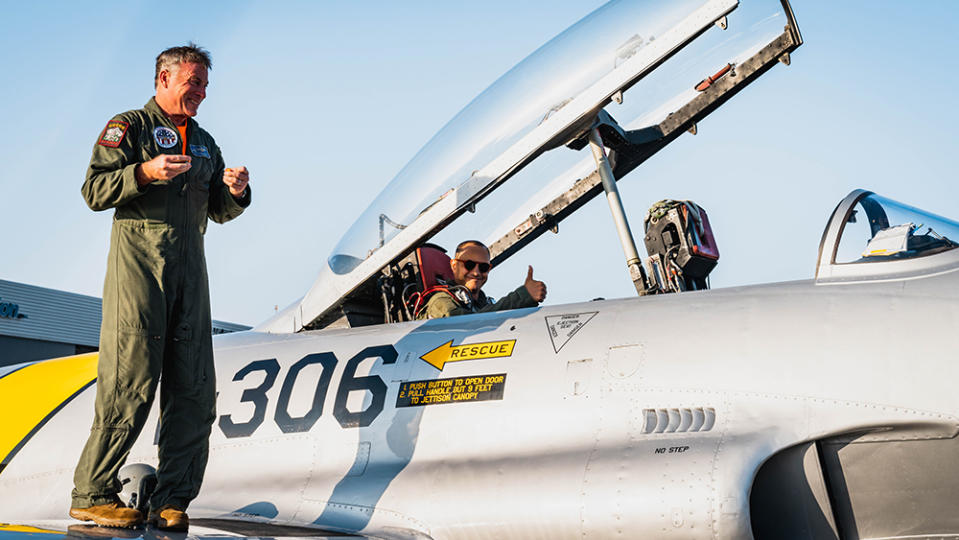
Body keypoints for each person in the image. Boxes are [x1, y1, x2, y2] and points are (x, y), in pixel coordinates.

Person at [70, 44, 250, 531]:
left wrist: (235, 191)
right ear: (164, 78)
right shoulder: (129, 127)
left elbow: (218, 210)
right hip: (140, 268)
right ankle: (92, 492)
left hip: (192, 270)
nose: (202, 92)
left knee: (194, 387)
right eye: (194, 82)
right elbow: (94, 190)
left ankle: (172, 499)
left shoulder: (206, 142)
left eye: (206, 84)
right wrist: (144, 172)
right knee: (132, 378)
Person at [417, 240, 547, 319]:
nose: (476, 272)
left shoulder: (484, 305)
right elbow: (470, 326)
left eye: (483, 267)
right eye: (469, 265)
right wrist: (524, 296)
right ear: (454, 265)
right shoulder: (440, 302)